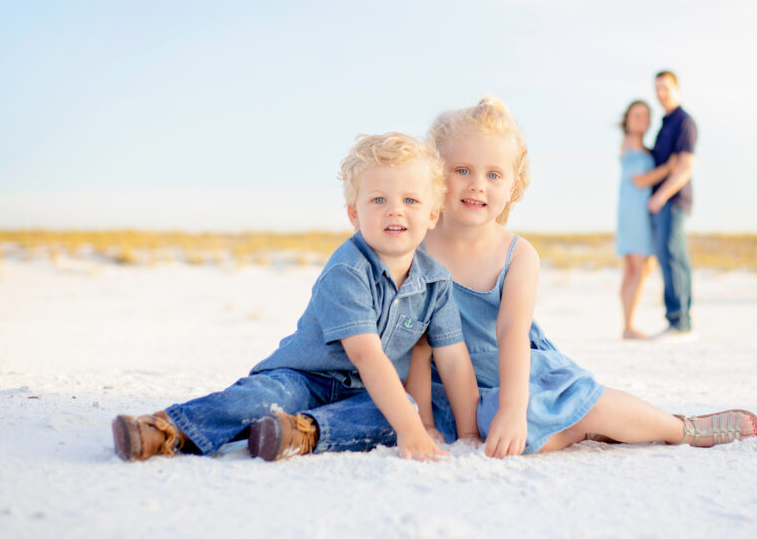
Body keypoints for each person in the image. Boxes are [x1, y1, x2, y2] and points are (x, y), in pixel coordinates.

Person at [411, 97, 757, 457]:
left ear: (513, 186)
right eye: (462, 171)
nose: (477, 185)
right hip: (446, 382)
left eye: (493, 175)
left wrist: (513, 410)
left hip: (515, 372)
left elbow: (512, 331)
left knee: (562, 408)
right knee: (499, 437)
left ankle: (681, 429)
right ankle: (582, 431)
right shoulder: (414, 246)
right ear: (436, 174)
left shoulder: (517, 254)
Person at [110, 133, 480, 463]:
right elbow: (366, 355)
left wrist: (465, 433)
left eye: (411, 200)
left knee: (401, 410)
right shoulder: (348, 270)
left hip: (365, 393)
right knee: (263, 399)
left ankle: (298, 433)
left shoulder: (436, 281)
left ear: (432, 215)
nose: (395, 210)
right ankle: (165, 428)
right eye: (378, 199)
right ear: (354, 213)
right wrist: (410, 430)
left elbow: (451, 359)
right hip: (304, 377)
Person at [616, 100, 676, 339]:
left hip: (635, 209)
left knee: (634, 268)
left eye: (646, 115)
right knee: (641, 266)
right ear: (628, 120)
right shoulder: (630, 142)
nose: (642, 120)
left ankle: (627, 324)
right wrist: (669, 168)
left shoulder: (642, 146)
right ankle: (628, 326)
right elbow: (640, 180)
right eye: (637, 115)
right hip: (634, 211)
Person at [649, 70, 697, 337]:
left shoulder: (684, 122)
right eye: (657, 88)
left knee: (674, 256)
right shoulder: (665, 123)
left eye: (665, 88)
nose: (661, 93)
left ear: (676, 88)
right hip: (662, 203)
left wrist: (661, 195)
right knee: (667, 258)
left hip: (674, 201)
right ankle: (676, 321)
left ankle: (681, 323)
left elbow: (685, 166)